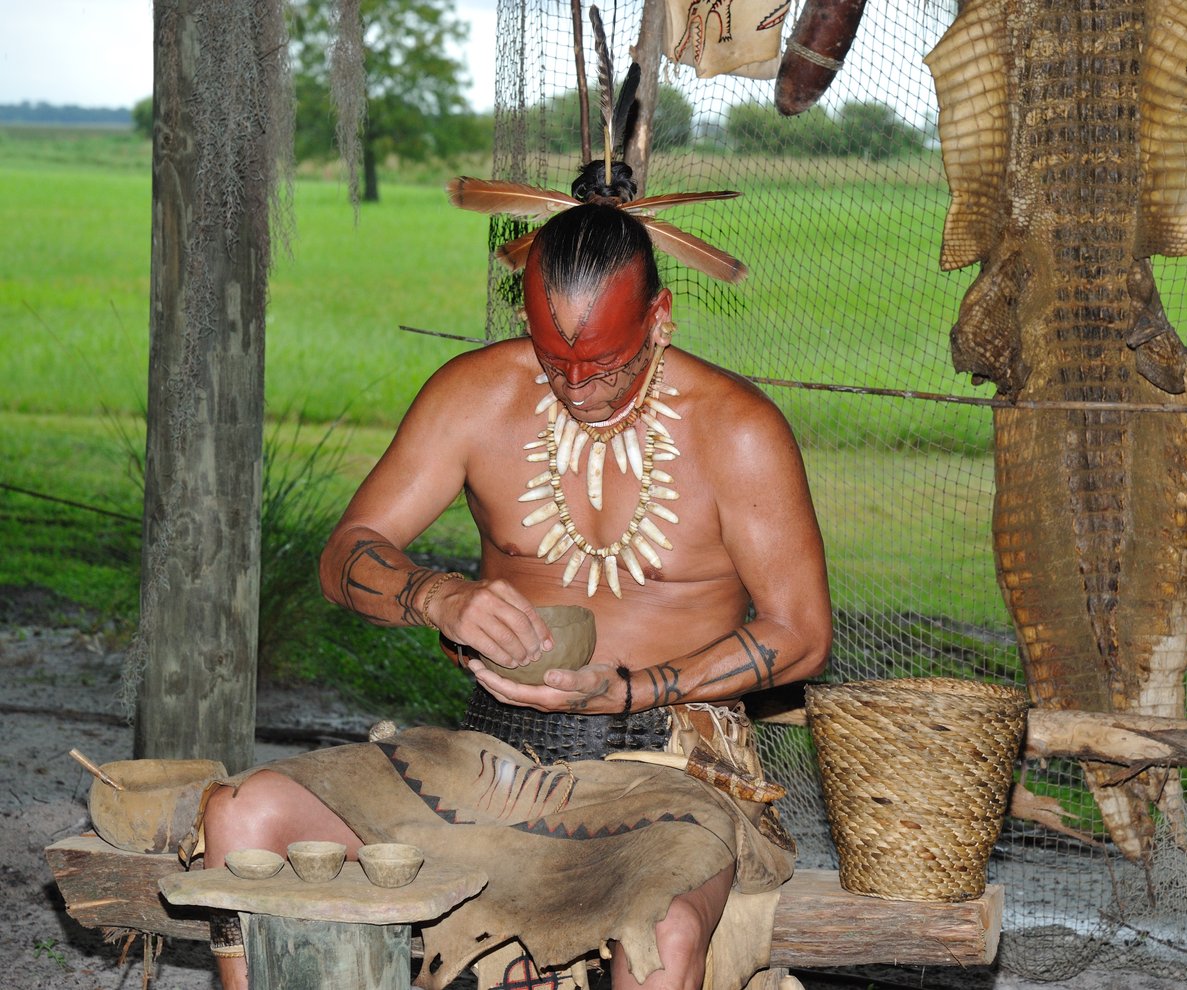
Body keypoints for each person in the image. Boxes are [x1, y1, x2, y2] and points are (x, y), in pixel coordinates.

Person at [197, 162, 833, 990]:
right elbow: (346, 552)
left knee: (662, 932)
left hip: (674, 765)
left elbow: (802, 634)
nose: (576, 389)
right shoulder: (476, 397)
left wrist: (632, 691)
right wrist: (438, 595)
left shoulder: (737, 431)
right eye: (554, 360)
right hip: (492, 760)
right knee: (243, 814)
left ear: (661, 316)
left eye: (603, 365)